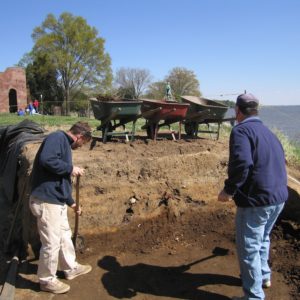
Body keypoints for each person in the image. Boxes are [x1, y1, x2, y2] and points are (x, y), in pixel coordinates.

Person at [218, 93, 288, 300]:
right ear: (256, 110)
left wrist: (229, 190)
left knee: (248, 249)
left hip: (256, 201)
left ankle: (254, 296)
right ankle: (264, 276)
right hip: (278, 198)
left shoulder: (241, 131)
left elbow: (242, 164)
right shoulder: (267, 132)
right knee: (262, 239)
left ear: (237, 111)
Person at [30, 121, 93, 294]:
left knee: (65, 235)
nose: (81, 146)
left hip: (55, 200)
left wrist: (71, 203)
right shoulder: (57, 137)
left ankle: (70, 267)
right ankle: (46, 280)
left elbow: (59, 181)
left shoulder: (63, 144)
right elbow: (47, 160)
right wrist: (70, 168)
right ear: (80, 137)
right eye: (83, 143)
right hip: (46, 201)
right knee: (51, 242)